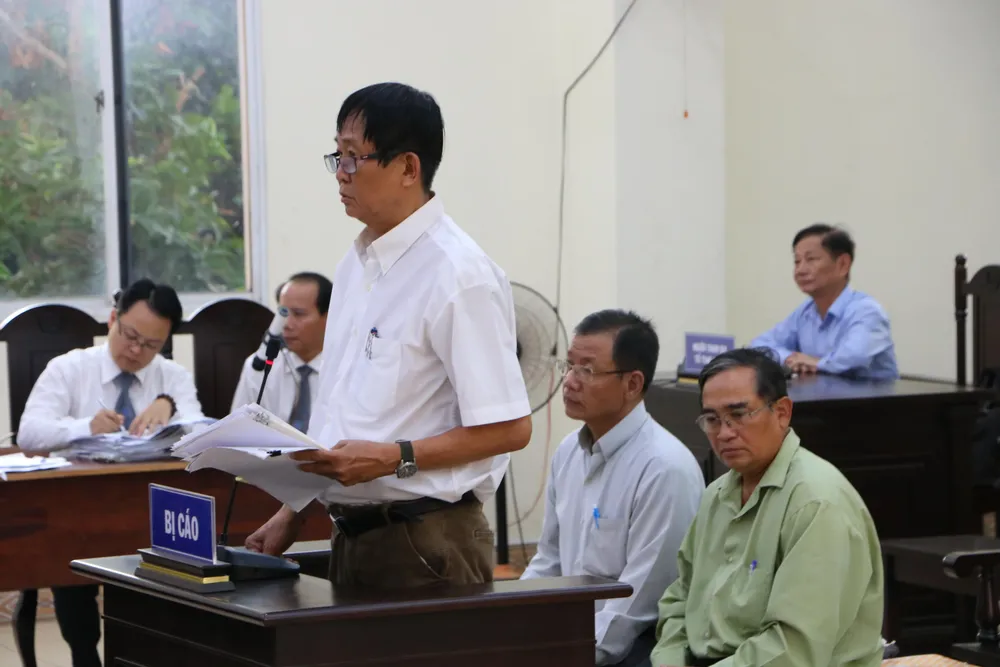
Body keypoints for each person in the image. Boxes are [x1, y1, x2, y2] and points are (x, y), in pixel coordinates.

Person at [244, 82, 532, 588]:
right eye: (337, 155)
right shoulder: (356, 265)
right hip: (352, 534)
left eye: (354, 157)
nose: (341, 172)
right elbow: (343, 412)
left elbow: (509, 429)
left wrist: (394, 458)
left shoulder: (458, 275)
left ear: (407, 168)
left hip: (427, 538)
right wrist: (294, 510)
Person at [649, 347, 884, 667]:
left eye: (739, 415)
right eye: (712, 419)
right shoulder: (717, 494)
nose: (725, 433)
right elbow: (679, 599)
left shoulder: (816, 503)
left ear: (782, 412)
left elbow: (794, 648)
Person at [17, 278, 203, 667]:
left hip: (149, 509)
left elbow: (202, 432)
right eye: (130, 336)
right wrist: (85, 426)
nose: (136, 351)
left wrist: (170, 407)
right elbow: (29, 433)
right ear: (113, 319)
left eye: (151, 345)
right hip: (78, 508)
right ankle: (84, 655)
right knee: (67, 554)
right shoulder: (69, 368)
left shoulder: (172, 377)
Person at [521, 310, 704, 667]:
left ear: (633, 384)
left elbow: (637, 606)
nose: (569, 382)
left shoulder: (664, 469)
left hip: (640, 647)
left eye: (587, 371)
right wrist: (508, 624)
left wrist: (562, 655)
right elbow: (549, 561)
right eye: (569, 366)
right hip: (576, 635)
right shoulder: (568, 452)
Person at [750, 224, 898, 380]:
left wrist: (817, 363)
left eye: (811, 259)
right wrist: (790, 359)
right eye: (797, 261)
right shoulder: (806, 312)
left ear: (843, 264)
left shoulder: (867, 311)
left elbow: (854, 357)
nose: (800, 270)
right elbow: (760, 345)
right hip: (820, 395)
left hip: (871, 396)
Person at [231, 271, 332, 432]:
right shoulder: (260, 365)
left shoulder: (347, 368)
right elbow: (236, 429)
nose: (286, 324)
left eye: (299, 314)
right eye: (283, 313)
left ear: (328, 317)